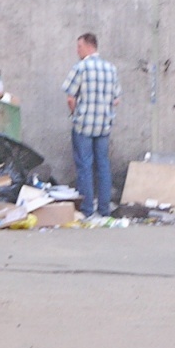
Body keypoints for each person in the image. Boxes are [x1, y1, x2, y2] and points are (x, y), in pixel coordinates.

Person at [62, 32, 121, 218]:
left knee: (84, 166)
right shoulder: (110, 69)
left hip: (83, 125)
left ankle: (87, 210)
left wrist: (75, 113)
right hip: (103, 125)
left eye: (79, 46)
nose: (77, 50)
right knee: (103, 166)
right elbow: (117, 99)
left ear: (88, 46)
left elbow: (70, 98)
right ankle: (104, 210)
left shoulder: (80, 68)